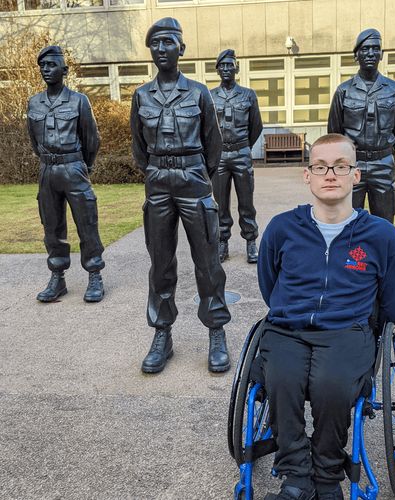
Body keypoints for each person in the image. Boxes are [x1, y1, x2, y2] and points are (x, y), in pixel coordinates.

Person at [257, 133, 395, 499]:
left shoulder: (381, 235)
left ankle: (327, 477)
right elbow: (269, 284)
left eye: (341, 166)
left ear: (355, 176)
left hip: (347, 331)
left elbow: (393, 305)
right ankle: (296, 476)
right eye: (321, 166)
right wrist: (291, 312)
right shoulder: (282, 228)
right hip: (288, 330)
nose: (330, 174)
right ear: (307, 175)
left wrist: (366, 332)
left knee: (332, 385)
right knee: (281, 379)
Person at [130, 17, 231, 375]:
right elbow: (138, 148)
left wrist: (196, 174)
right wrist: (159, 169)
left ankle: (216, 331)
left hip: (193, 179)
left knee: (207, 261)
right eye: (155, 44)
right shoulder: (142, 95)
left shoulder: (199, 92)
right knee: (161, 262)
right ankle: (162, 334)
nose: (161, 49)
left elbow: (214, 146)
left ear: (181, 49)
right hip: (158, 181)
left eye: (168, 42)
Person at [27, 45, 105, 304]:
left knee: (87, 223)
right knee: (52, 226)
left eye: (51, 65)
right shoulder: (34, 102)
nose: (46, 70)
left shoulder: (78, 101)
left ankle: (94, 274)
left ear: (65, 70)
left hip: (74, 168)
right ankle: (57, 276)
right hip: (48, 170)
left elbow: (91, 138)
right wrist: (48, 161)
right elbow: (33, 139)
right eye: (43, 66)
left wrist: (84, 166)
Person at [327, 29, 395, 223]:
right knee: (348, 222)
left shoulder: (394, 89)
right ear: (356, 54)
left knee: (384, 223)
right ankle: (354, 255)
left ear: (381, 54)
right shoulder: (344, 90)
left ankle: (379, 255)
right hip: (352, 165)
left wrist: (383, 149)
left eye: (375, 49)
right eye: (365, 49)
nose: (370, 53)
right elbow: (334, 131)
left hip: (383, 163)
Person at [210, 49, 263, 264]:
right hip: (220, 155)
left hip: (241, 153)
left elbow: (256, 126)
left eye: (230, 65)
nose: (226, 69)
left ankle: (251, 241)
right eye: (222, 66)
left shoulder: (248, 95)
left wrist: (243, 146)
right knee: (220, 203)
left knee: (246, 201)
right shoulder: (210, 96)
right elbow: (207, 128)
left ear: (236, 68)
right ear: (217, 70)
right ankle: (222, 242)